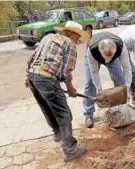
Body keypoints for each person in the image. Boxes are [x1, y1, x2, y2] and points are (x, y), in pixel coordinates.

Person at [26, 21, 90, 162]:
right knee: (64, 114)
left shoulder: (48, 37)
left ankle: (58, 134)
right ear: (71, 33)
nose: (77, 40)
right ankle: (70, 150)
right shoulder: (70, 44)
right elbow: (66, 71)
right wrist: (70, 88)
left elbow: (34, 58)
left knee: (47, 107)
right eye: (77, 36)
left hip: (32, 77)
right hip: (46, 79)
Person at [83, 31, 132, 128]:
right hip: (94, 58)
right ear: (100, 52)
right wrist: (100, 90)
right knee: (89, 84)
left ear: (115, 51)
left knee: (120, 81)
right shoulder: (92, 50)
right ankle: (88, 114)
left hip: (113, 56)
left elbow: (127, 69)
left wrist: (128, 87)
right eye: (106, 57)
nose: (107, 61)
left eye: (110, 56)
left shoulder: (121, 47)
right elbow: (94, 72)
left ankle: (119, 109)